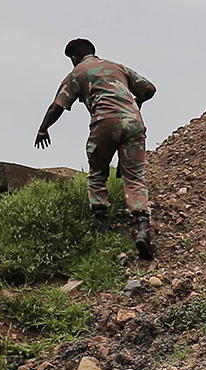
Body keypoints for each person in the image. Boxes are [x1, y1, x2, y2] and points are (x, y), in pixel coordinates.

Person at [35, 38, 157, 258]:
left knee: (98, 173)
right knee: (135, 177)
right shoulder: (117, 67)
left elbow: (57, 106)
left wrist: (43, 129)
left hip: (104, 123)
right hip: (134, 123)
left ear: (74, 58)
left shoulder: (77, 73)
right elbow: (149, 89)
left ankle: (102, 229)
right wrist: (135, 104)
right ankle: (142, 229)